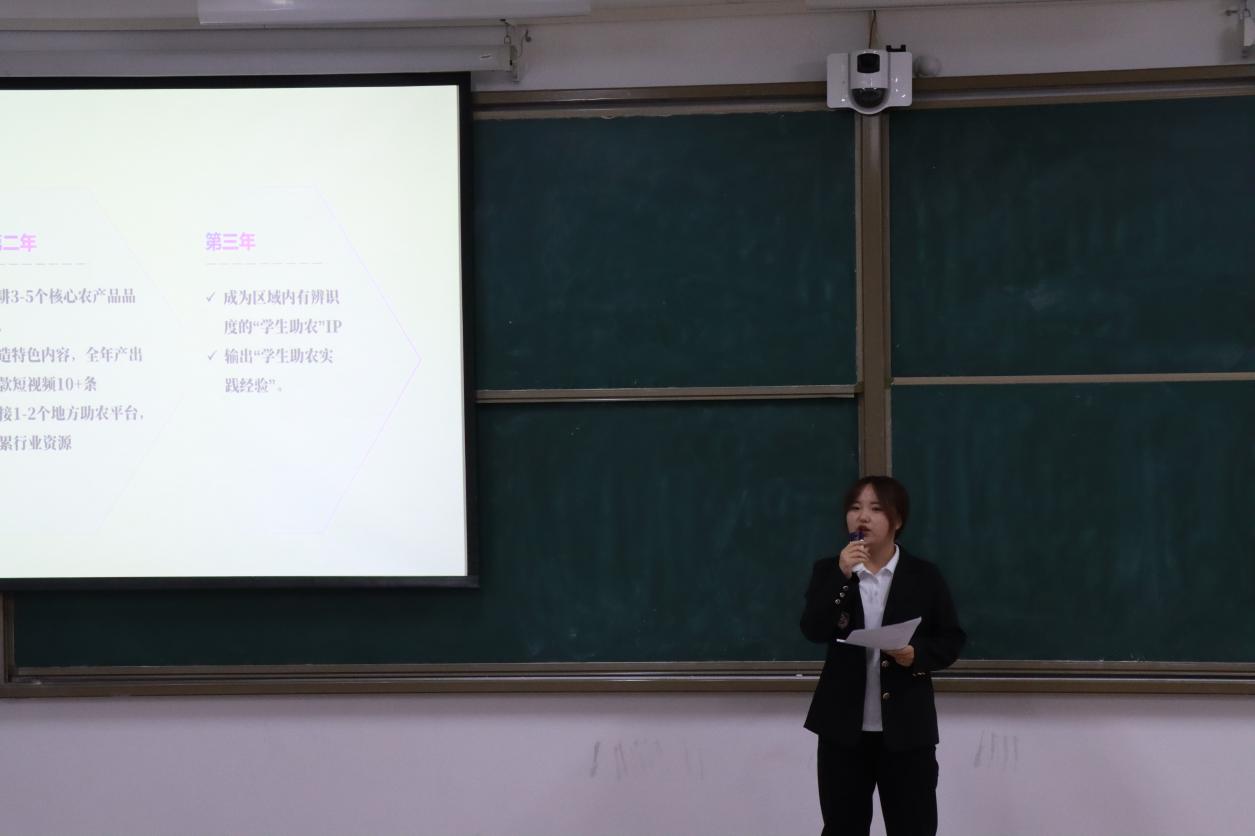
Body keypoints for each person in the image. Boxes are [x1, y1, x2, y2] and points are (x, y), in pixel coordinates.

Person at [800, 475, 966, 836]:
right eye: (855, 508)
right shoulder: (830, 571)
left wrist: (916, 654)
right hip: (843, 730)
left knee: (914, 827)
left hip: (907, 729)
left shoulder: (924, 576)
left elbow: (951, 639)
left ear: (897, 519)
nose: (863, 517)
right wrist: (841, 577)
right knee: (842, 827)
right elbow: (812, 629)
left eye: (875, 509)